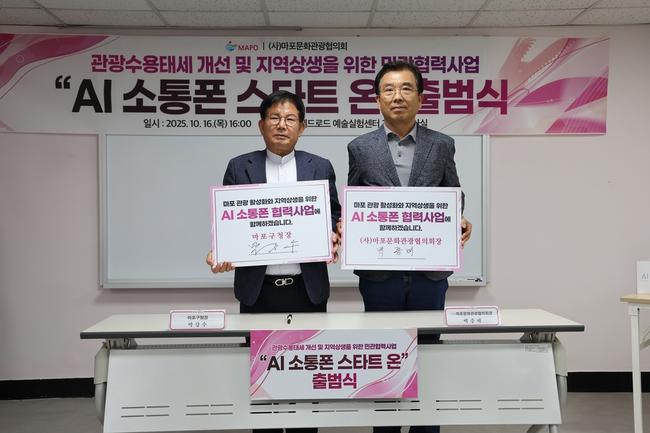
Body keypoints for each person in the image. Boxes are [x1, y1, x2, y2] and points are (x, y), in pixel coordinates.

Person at [346, 61, 472, 433]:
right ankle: (385, 428)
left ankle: (426, 428)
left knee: (428, 354)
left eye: (405, 89)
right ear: (377, 99)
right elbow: (353, 200)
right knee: (384, 357)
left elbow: (454, 194)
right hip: (379, 275)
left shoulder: (442, 144)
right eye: (388, 89)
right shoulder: (360, 147)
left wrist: (458, 217)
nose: (397, 96)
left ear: (420, 97)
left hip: (429, 273)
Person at [206, 90, 340, 320]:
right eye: (274, 118)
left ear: (302, 127)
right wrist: (221, 249)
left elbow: (334, 213)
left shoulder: (320, 167)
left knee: (309, 345)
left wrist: (333, 234)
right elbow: (227, 221)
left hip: (307, 289)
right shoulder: (239, 167)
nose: (281, 125)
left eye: (290, 119)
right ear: (261, 125)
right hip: (257, 290)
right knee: (258, 346)